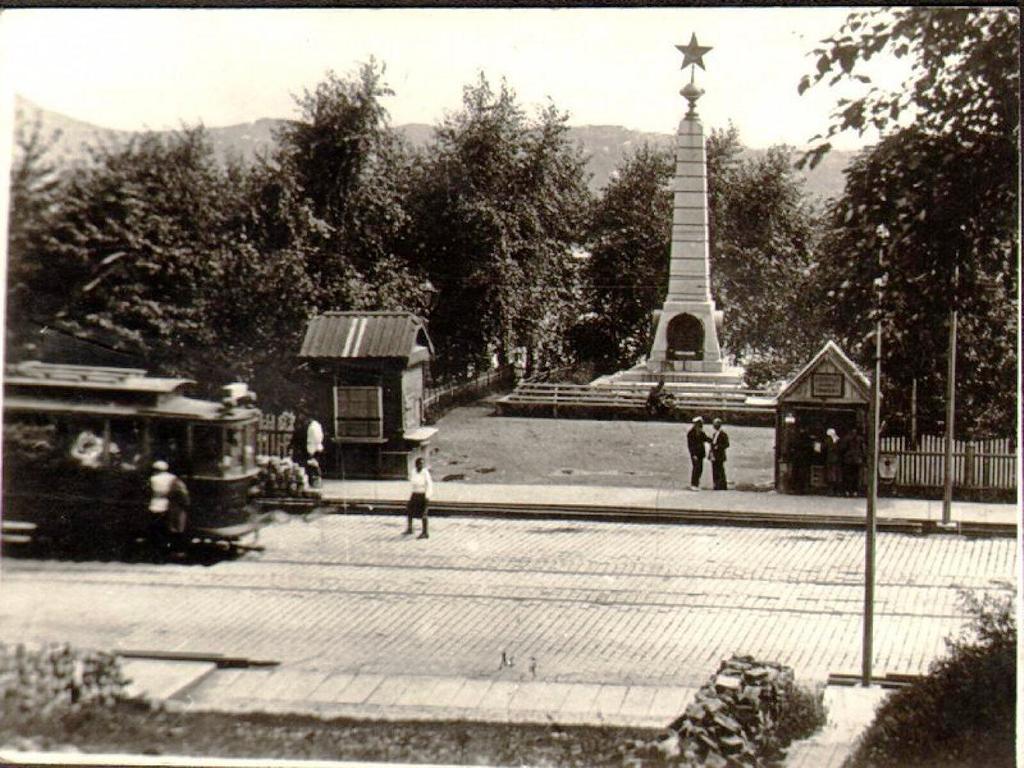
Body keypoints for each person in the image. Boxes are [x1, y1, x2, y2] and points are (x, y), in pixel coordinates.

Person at [148, 460, 190, 551]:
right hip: (170, 506)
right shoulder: (173, 478)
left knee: (157, 528)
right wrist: (186, 503)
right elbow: (182, 492)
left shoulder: (152, 479)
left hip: (155, 505)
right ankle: (174, 548)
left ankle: (158, 548)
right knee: (173, 527)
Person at [404, 457, 433, 539]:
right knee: (409, 511)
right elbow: (411, 482)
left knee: (424, 513)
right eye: (419, 463)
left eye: (422, 464)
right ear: (416, 464)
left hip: (423, 494)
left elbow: (429, 485)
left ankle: (425, 532)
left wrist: (427, 496)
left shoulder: (425, 473)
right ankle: (410, 529)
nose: (420, 465)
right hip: (415, 494)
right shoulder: (413, 472)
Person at [686, 417, 710, 491]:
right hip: (695, 454)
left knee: (700, 469)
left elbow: (706, 439)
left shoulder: (701, 432)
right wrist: (693, 454)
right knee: (696, 468)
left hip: (700, 454)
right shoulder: (691, 433)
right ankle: (694, 484)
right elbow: (690, 445)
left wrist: (714, 441)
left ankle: (696, 483)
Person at [841, 425, 866, 496]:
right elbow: (863, 449)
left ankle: (847, 491)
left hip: (848, 459)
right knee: (856, 476)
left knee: (847, 476)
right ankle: (855, 491)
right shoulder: (860, 439)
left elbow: (843, 448)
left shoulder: (846, 438)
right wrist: (863, 458)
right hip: (857, 460)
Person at [709, 418, 730, 490]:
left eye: (716, 424)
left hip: (720, 455)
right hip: (714, 455)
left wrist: (719, 447)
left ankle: (722, 485)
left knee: (720, 470)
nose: (714, 425)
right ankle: (716, 485)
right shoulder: (714, 434)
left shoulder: (723, 434)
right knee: (714, 470)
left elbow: (727, 444)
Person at [306, 415, 324, 488]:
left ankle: (314, 481)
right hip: (318, 447)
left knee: (313, 465)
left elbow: (312, 439)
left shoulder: (312, 427)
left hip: (313, 447)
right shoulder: (318, 426)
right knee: (314, 464)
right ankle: (316, 480)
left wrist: (311, 450)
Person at [824, 428, 842, 495]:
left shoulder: (828, 440)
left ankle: (831, 490)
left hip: (830, 458)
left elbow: (823, 447)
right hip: (838, 459)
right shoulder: (838, 439)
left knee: (831, 474)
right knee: (837, 474)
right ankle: (837, 491)